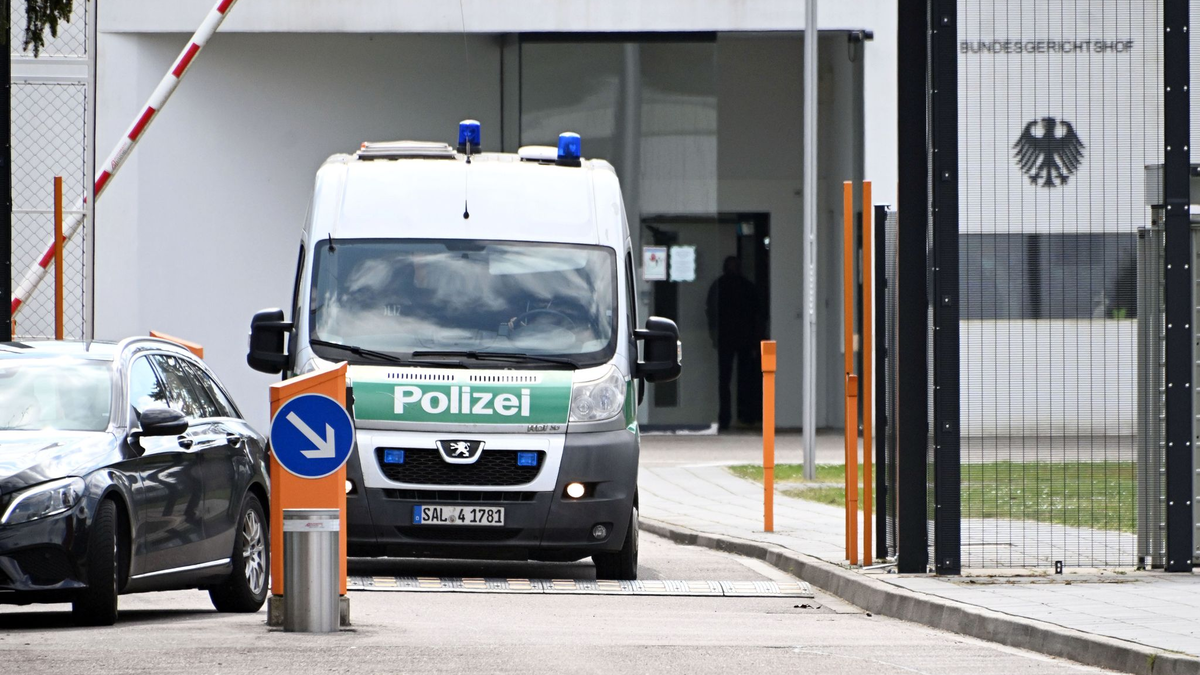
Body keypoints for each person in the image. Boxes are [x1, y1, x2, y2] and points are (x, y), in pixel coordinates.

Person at [706, 256, 763, 431]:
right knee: (740, 380)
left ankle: (728, 418)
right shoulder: (746, 286)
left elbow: (711, 312)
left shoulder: (720, 285)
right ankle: (743, 416)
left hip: (732, 338)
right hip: (739, 339)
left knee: (728, 380)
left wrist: (714, 336)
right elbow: (758, 315)